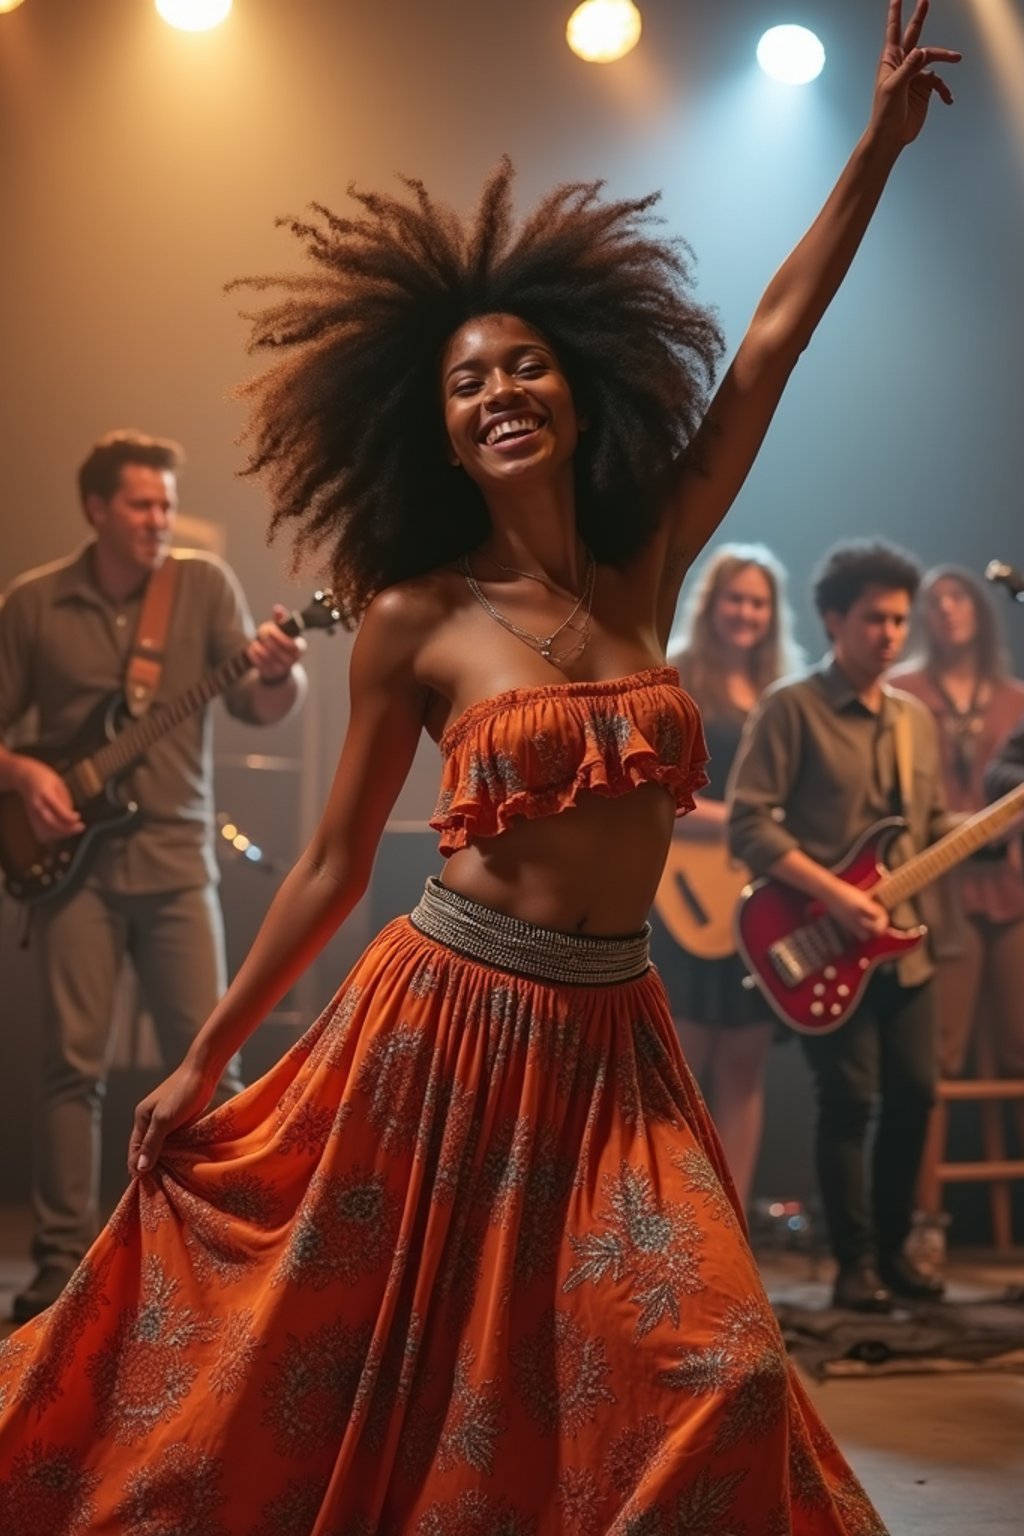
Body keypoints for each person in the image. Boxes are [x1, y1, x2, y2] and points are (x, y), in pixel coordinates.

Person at [0, 6, 958, 1530]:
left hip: (616, 1035)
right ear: (439, 434)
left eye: (525, 367)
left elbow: (769, 346)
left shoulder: (648, 565)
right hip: (446, 1023)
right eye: (467, 383)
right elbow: (327, 863)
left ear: (577, 393)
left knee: (720, 1367)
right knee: (371, 1371)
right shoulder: (414, 621)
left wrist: (871, 159)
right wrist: (207, 1054)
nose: (500, 389)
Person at [0, 430, 307, 1322]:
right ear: (97, 510)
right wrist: (27, 776)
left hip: (177, 863)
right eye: (142, 506)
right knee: (70, 1068)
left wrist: (281, 671)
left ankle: (237, 1256)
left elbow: (259, 707)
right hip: (71, 876)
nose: (158, 521)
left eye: (167, 506)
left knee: (214, 1062)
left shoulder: (203, 585)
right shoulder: (33, 603)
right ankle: (58, 1269)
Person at [729, 539, 954, 1315]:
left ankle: (895, 1254)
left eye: (899, 621)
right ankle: (853, 1266)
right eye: (873, 620)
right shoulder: (790, 709)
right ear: (833, 619)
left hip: (904, 948)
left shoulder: (915, 721)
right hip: (822, 940)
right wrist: (837, 895)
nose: (890, 634)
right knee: (850, 1102)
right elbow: (751, 827)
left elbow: (925, 831)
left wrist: (990, 832)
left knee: (917, 1097)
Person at [650, 543, 803, 1210]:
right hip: (682, 901)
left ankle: (731, 1227)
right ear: (712, 604)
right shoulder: (675, 679)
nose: (746, 613)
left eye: (759, 603)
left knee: (744, 1065)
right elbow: (657, 793)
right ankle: (675, 1223)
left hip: (757, 903)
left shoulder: (788, 696)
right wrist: (739, 821)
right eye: (735, 599)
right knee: (679, 1069)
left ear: (774, 615)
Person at [893, 568, 1024, 1087]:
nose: (946, 608)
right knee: (940, 1052)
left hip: (1012, 879)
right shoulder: (897, 691)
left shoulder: (1016, 697)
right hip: (935, 884)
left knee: (1020, 1050)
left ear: (980, 610)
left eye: (959, 597)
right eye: (935, 600)